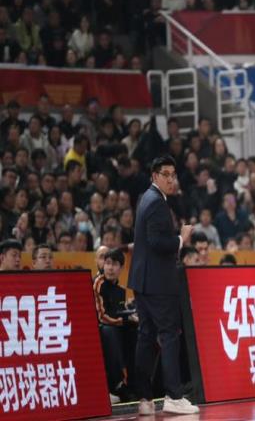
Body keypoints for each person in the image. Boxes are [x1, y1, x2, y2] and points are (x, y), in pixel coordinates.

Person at [127, 155, 199, 416]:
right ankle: (174, 396)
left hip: (143, 280)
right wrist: (181, 238)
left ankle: (145, 399)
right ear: (154, 176)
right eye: (165, 174)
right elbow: (157, 243)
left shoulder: (146, 198)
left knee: (146, 337)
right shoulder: (157, 202)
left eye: (173, 174)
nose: (171, 179)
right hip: (158, 282)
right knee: (169, 336)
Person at [93, 248, 137, 403]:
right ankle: (117, 383)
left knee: (135, 331)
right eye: (108, 263)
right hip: (99, 329)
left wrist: (131, 317)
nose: (110, 268)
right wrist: (125, 320)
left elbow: (118, 313)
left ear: (121, 268)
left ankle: (133, 381)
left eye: (115, 264)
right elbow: (102, 317)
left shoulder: (120, 291)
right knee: (109, 331)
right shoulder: (98, 283)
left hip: (115, 325)